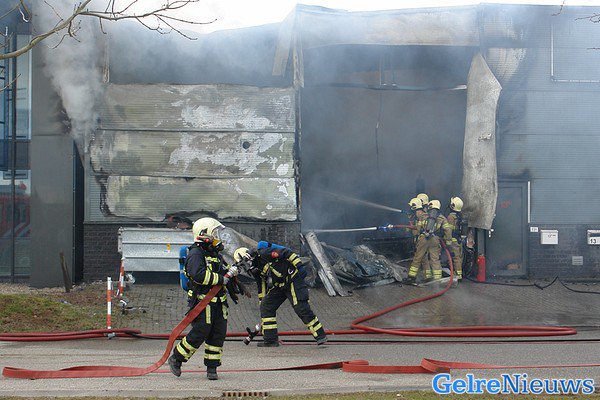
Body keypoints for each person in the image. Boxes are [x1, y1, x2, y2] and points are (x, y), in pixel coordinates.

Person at [168, 217, 239, 380]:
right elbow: (198, 275)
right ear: (204, 234)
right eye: (214, 234)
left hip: (219, 302)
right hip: (202, 302)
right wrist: (221, 279)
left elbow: (223, 271)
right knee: (200, 332)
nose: (217, 238)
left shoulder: (214, 254)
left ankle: (212, 368)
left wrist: (234, 270)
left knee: (218, 334)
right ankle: (177, 358)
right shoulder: (196, 254)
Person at [234, 243, 327, 347]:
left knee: (300, 307)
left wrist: (299, 266)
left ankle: (320, 336)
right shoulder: (255, 270)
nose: (246, 267)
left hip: (292, 278)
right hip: (279, 285)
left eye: (244, 263)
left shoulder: (264, 253)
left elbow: (286, 252)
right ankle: (270, 340)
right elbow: (262, 286)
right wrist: (262, 301)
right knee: (266, 305)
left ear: (248, 256)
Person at [404, 197, 431, 285]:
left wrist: (411, 223)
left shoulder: (422, 216)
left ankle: (411, 277)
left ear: (414, 207)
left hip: (423, 240)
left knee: (417, 258)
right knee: (424, 258)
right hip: (423, 239)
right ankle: (428, 276)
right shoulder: (420, 216)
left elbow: (417, 230)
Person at [444, 196, 466, 281]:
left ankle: (458, 275)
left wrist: (447, 240)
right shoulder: (459, 216)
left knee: (455, 257)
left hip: (453, 240)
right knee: (458, 257)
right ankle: (458, 274)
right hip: (458, 239)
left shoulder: (450, 217)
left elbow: (449, 230)